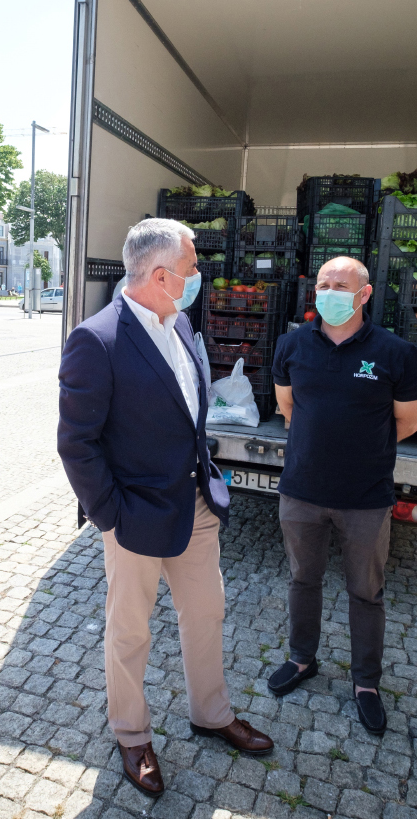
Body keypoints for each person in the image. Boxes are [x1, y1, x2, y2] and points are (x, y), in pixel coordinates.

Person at [58, 218, 272, 798]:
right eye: (193, 265)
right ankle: (131, 732)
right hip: (134, 517)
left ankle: (211, 712)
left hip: (196, 503)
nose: (199, 274)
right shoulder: (97, 339)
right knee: (129, 631)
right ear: (160, 274)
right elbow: (77, 443)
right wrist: (111, 517)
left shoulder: (179, 325)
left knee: (206, 612)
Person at [266, 256, 417, 735]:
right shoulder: (292, 344)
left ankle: (366, 682)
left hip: (366, 497)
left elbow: (409, 421)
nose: (330, 291)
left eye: (341, 284)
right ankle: (301, 659)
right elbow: (287, 407)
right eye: (323, 283)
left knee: (366, 592)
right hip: (302, 491)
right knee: (303, 580)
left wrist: (359, 449)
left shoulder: (395, 353)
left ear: (365, 294)